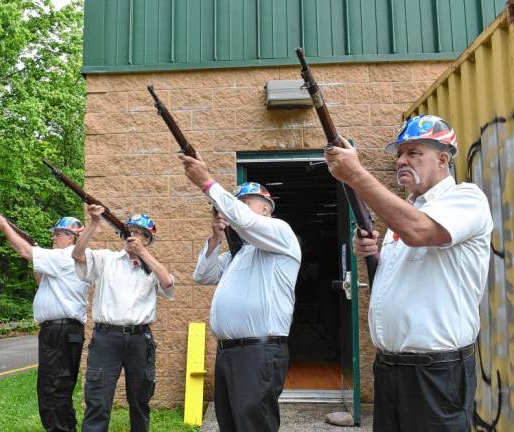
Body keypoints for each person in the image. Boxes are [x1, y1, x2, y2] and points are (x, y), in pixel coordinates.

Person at [324, 114, 493, 431]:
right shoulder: (408, 211)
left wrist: (356, 175)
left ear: (443, 158)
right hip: (389, 370)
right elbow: (402, 276)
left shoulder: (467, 199)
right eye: (400, 153)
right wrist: (371, 251)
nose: (401, 160)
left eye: (413, 152)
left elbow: (421, 232)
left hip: (436, 376)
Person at [179, 152, 301, 432]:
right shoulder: (238, 254)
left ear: (266, 210)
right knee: (231, 424)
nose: (238, 209)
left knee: (252, 425)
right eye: (237, 204)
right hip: (229, 353)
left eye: (246, 203)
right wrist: (216, 237)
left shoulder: (281, 234)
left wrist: (208, 184)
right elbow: (203, 275)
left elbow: (246, 222)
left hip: (259, 352)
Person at [71, 204, 174, 432]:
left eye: (139, 233)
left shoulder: (151, 266)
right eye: (130, 231)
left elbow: (167, 283)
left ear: (147, 239)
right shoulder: (106, 259)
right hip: (106, 337)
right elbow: (77, 255)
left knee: (140, 400)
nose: (133, 236)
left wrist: (143, 254)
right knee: (98, 399)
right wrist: (94, 223)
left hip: (140, 339)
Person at [0, 215, 89, 432]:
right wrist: (36, 253)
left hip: (59, 330)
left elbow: (25, 252)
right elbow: (39, 279)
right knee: (58, 388)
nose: (54, 237)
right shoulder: (62, 258)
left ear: (72, 238)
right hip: (61, 330)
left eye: (59, 234)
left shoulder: (66, 256)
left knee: (53, 389)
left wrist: (6, 227)